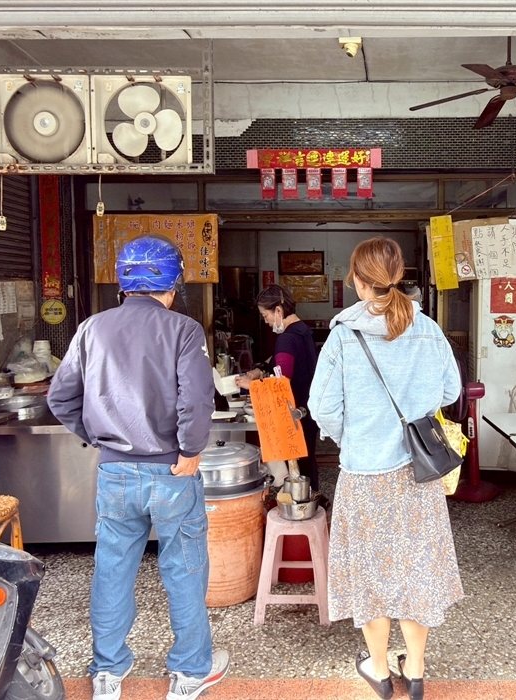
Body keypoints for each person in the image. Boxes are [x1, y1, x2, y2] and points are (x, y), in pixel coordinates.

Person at [48, 236, 230, 700]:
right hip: (172, 471)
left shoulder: (90, 328)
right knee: (184, 569)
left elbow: (60, 397)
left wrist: (96, 436)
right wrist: (190, 452)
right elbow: (197, 399)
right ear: (173, 283)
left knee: (112, 568)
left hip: (115, 474)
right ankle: (189, 674)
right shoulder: (184, 330)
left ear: (124, 283)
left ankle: (107, 671)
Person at [308, 237, 463, 700]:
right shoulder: (428, 329)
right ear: (400, 276)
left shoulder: (342, 335)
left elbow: (322, 406)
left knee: (371, 572)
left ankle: (378, 668)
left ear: (357, 280)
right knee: (417, 569)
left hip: (364, 474)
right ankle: (414, 671)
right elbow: (450, 391)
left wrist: (349, 436)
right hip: (418, 474)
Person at [236, 284, 321, 497]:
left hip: (292, 413)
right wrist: (259, 370)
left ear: (279, 311)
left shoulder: (286, 338)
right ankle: (314, 501)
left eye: (266, 316)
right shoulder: (303, 331)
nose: (266, 321)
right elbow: (279, 362)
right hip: (308, 407)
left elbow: (281, 382)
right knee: (308, 460)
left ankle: (301, 509)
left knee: (297, 467)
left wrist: (252, 385)